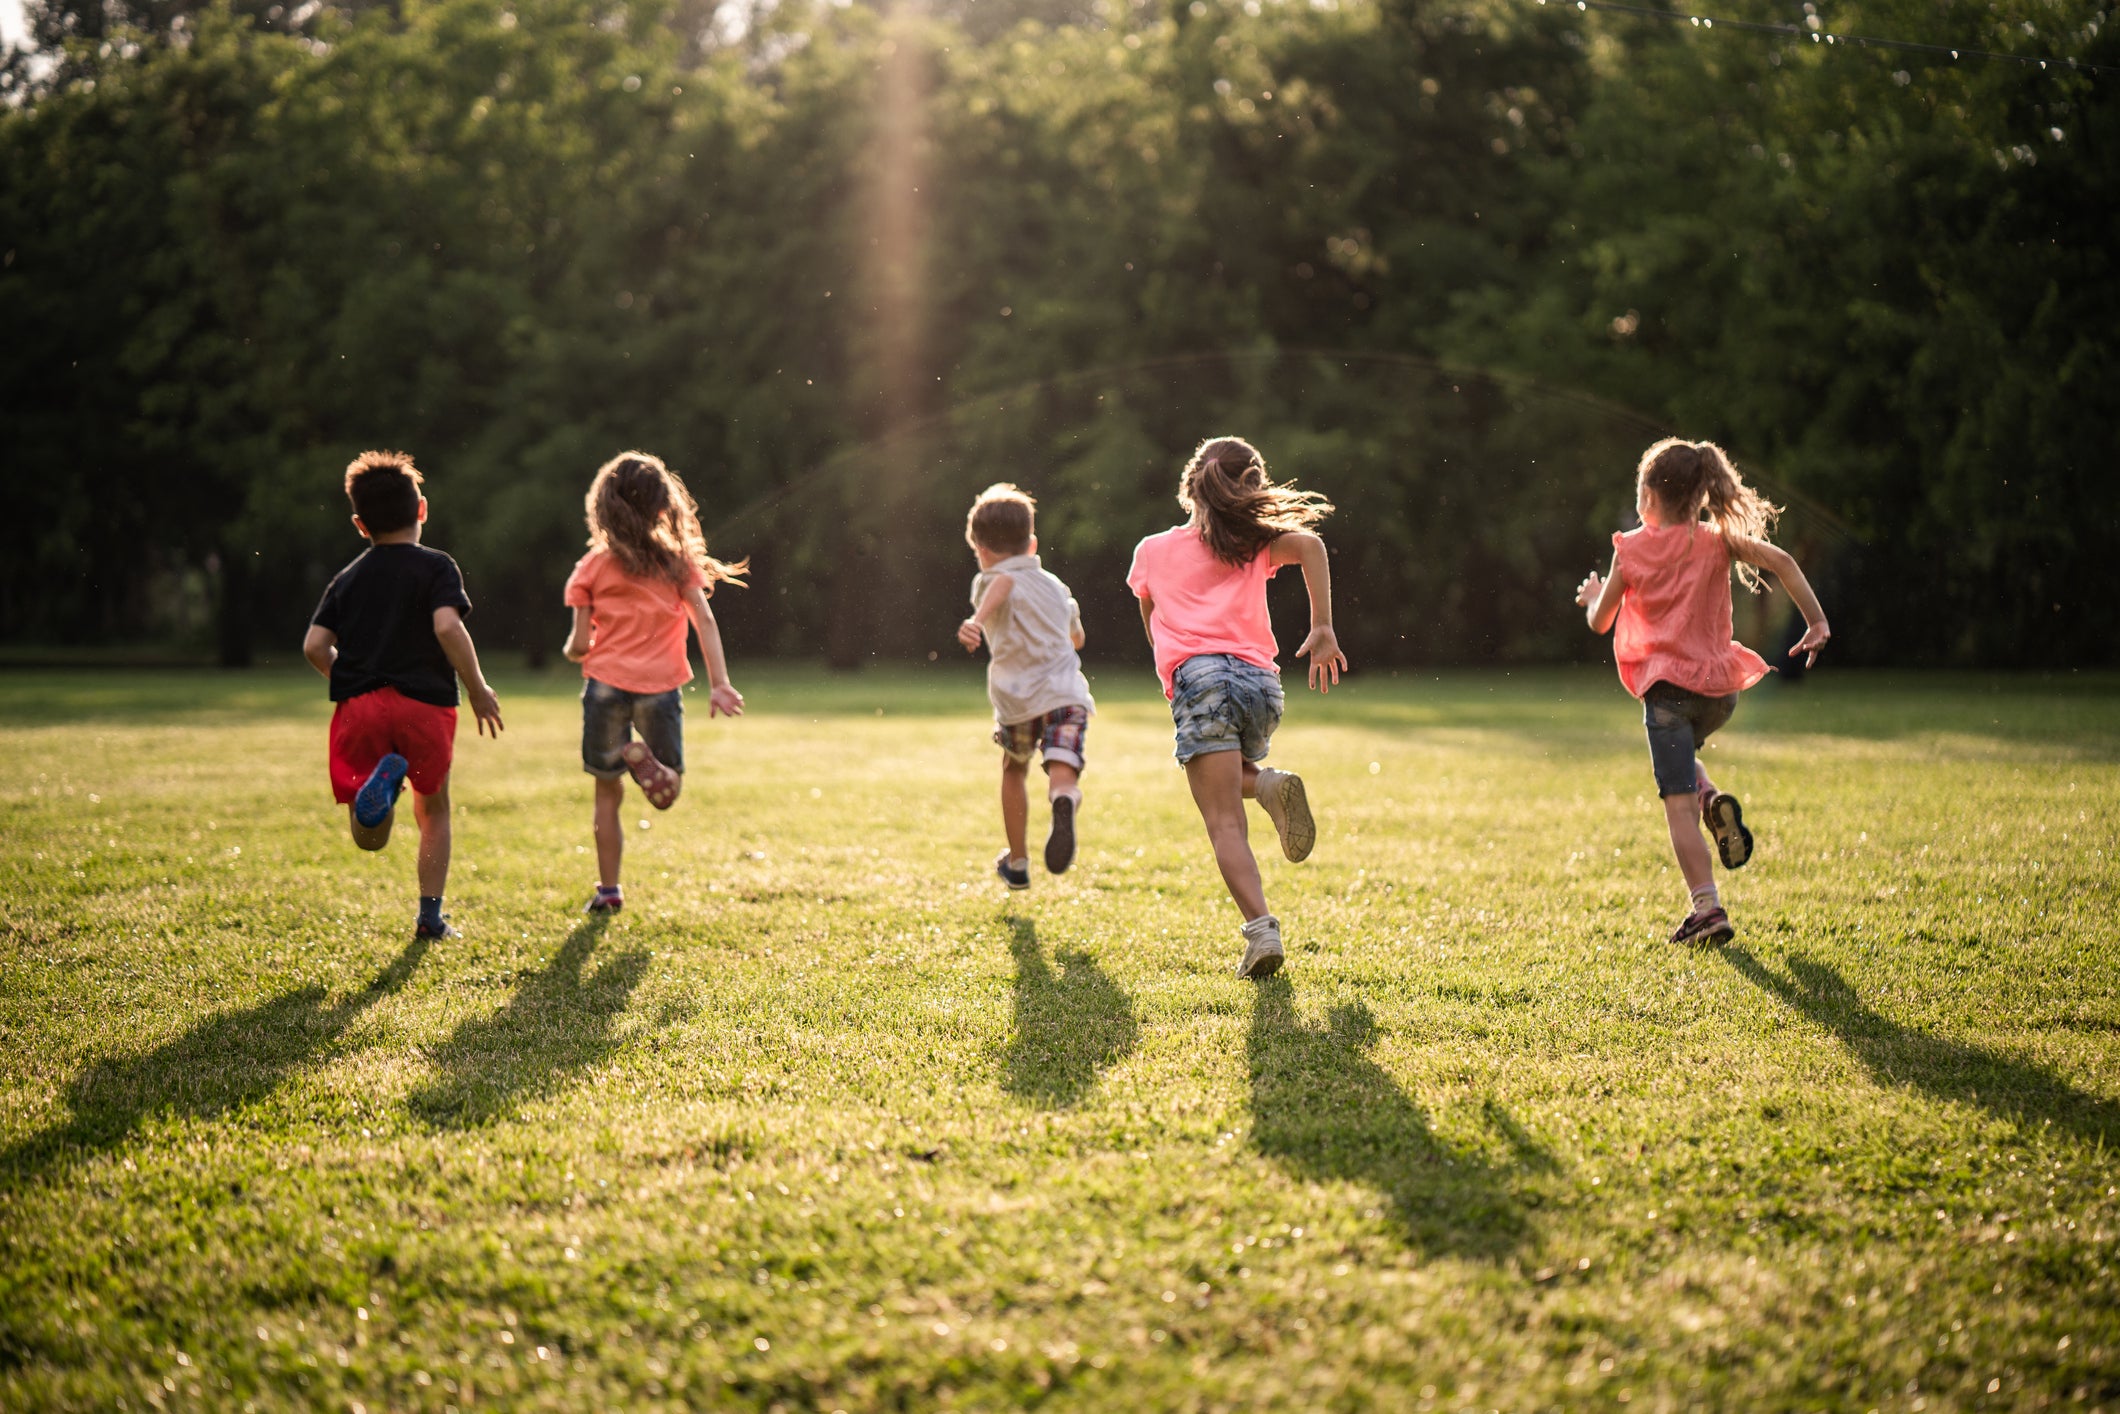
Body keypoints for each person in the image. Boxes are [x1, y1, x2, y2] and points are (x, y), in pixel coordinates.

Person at [1575, 438, 1831, 946]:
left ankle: (1706, 909)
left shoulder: (1631, 548)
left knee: (1676, 805)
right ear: (1699, 499)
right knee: (1685, 764)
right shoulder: (1717, 540)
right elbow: (1782, 561)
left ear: (1648, 496)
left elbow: (1601, 622)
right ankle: (1711, 798)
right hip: (1719, 692)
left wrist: (1590, 596)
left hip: (1667, 696)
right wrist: (1818, 621)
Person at [1126, 436, 1346, 979]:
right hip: (1261, 685)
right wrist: (1321, 627)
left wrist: (1173, 670)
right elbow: (1312, 548)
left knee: (1223, 818)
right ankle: (1267, 785)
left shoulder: (1152, 550)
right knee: (1231, 783)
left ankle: (1261, 931)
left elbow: (1151, 622)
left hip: (1200, 679)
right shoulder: (1253, 542)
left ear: (1190, 486)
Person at [303, 450, 504, 941]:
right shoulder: (437, 567)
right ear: (422, 510)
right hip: (426, 705)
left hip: (361, 707)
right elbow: (447, 625)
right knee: (433, 809)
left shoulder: (346, 579)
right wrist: (477, 688)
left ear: (359, 524)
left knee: (369, 838)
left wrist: (347, 681)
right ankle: (430, 918)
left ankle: (380, 792)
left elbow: (314, 645)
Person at [562, 451, 746, 915]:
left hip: (605, 685)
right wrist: (720, 683)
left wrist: (574, 650)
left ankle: (608, 890)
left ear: (604, 507)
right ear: (664, 507)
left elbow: (581, 643)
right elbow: (703, 619)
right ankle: (656, 768)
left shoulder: (592, 568)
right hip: (660, 686)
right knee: (671, 787)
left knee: (607, 789)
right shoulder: (676, 563)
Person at [956, 483, 1095, 888]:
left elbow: (1004, 583)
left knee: (1014, 769)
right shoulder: (1056, 586)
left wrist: (978, 621)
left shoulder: (989, 580)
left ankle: (1017, 863)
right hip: (1067, 695)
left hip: (1018, 702)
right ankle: (1064, 799)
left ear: (980, 549)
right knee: (1061, 765)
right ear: (1032, 544)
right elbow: (1078, 638)